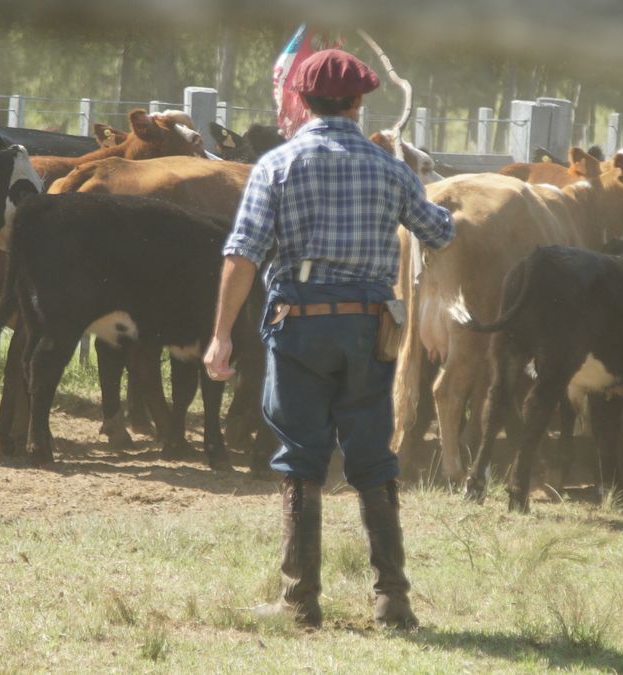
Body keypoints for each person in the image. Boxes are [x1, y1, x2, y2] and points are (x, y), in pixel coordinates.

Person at [202, 48, 455, 630]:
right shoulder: (390, 169)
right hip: (370, 330)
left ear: (301, 101)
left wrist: (220, 337)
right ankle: (393, 600)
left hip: (298, 326)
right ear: (359, 101)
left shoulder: (276, 166)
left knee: (300, 457)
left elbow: (242, 255)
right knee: (372, 455)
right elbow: (439, 231)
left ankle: (299, 602)